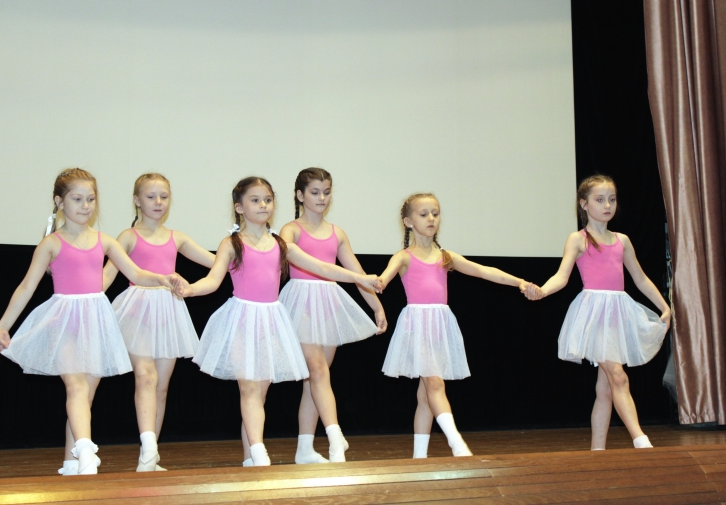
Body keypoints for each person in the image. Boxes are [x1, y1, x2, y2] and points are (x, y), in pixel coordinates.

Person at [176, 176, 382, 467]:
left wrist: (362, 279)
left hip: (271, 320)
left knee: (259, 393)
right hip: (242, 319)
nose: (263, 205)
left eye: (268, 200)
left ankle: (249, 458)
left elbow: (324, 268)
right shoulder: (232, 244)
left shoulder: (281, 245)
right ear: (239, 207)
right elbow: (212, 280)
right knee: (249, 389)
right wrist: (189, 289)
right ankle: (260, 455)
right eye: (255, 200)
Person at [0, 168, 177, 475]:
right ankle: (87, 452)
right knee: (76, 387)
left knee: (84, 395)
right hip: (64, 320)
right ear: (59, 202)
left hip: (95, 322)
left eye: (90, 199)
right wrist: (4, 324)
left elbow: (135, 273)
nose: (85, 206)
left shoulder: (104, 241)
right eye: (77, 199)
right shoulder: (51, 244)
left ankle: (71, 462)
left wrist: (162, 279)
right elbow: (26, 287)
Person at [378, 193, 535, 459]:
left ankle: (419, 458)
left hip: (439, 326)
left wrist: (519, 282)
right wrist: (376, 282)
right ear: (408, 221)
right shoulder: (404, 257)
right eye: (423, 214)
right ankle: (457, 443)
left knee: (426, 394)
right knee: (435, 385)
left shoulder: (445, 257)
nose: (431, 218)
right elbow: (384, 277)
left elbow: (483, 271)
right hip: (417, 326)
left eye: (435, 213)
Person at [532, 175, 670, 450]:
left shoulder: (622, 240)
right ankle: (641, 440)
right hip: (594, 316)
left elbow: (640, 278)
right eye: (599, 199)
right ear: (584, 204)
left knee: (606, 388)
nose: (607, 205)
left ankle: (597, 451)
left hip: (618, 314)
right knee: (618, 376)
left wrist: (665, 306)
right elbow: (562, 277)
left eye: (612, 199)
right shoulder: (578, 239)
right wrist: (543, 291)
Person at [102, 173, 216, 471]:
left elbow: (218, 261)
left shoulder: (177, 238)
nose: (158, 202)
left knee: (161, 387)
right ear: (137, 200)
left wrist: (247, 249)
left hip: (168, 313)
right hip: (136, 311)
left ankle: (149, 457)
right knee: (146, 377)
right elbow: (106, 276)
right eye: (151, 196)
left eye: (164, 196)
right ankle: (149, 450)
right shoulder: (128, 237)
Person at [279, 167, 387, 464]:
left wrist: (376, 306)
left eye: (326, 192)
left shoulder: (337, 233)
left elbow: (356, 272)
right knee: (317, 370)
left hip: (328, 304)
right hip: (301, 302)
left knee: (316, 378)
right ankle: (335, 435)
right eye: (315, 192)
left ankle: (304, 449)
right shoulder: (290, 230)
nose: (322, 198)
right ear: (300, 195)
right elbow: (296, 259)